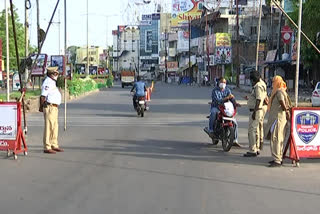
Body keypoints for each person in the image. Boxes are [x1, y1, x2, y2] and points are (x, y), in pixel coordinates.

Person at [265, 76, 291, 167]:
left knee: (276, 139)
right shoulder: (279, 91)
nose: (272, 84)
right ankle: (277, 158)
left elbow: (282, 104)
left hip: (278, 118)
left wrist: (287, 110)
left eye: (273, 82)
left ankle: (277, 160)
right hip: (277, 118)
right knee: (277, 138)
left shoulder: (279, 91)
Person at [205, 77, 239, 143]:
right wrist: (227, 98)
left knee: (234, 121)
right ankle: (211, 130)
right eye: (221, 82)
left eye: (224, 82)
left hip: (226, 108)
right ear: (218, 82)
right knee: (213, 113)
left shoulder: (228, 90)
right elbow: (217, 100)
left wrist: (235, 103)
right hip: (216, 107)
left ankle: (235, 139)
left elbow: (231, 98)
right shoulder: (215, 90)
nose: (223, 84)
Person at [39, 67, 64, 154]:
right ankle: (47, 146)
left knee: (54, 127)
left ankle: (54, 144)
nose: (57, 75)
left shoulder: (52, 82)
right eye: (55, 74)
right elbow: (42, 96)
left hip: (54, 107)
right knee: (49, 127)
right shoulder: (48, 82)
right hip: (49, 106)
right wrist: (41, 107)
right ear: (51, 74)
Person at [244, 71, 268, 157]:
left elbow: (258, 100)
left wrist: (254, 112)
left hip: (256, 110)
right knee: (257, 130)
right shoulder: (262, 83)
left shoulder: (258, 86)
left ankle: (253, 150)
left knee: (252, 131)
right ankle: (257, 148)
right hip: (258, 109)